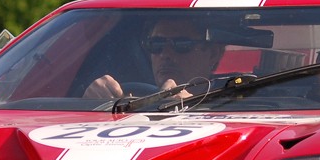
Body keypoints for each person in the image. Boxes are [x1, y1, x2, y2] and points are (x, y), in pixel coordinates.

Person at [84, 17, 225, 100]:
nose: (165, 54)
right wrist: (88, 104)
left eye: (182, 45)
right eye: (156, 44)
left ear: (213, 54)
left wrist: (196, 108)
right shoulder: (129, 100)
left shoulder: (236, 102)